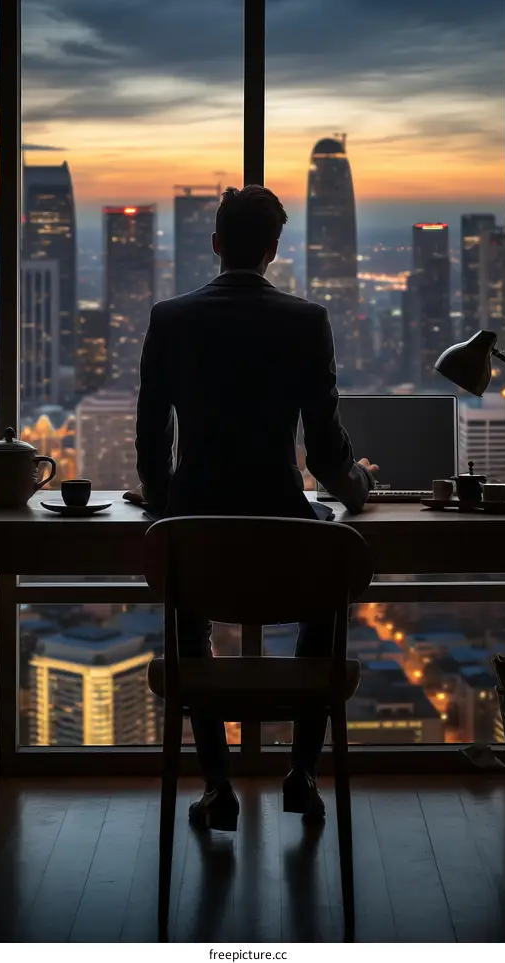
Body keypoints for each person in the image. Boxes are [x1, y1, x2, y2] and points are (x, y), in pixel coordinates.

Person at [126, 185, 378, 831]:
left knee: (190, 632)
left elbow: (151, 429)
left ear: (216, 244)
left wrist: (158, 499)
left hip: (193, 529)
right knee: (324, 601)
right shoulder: (305, 321)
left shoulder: (171, 317)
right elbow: (323, 448)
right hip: (285, 534)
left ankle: (216, 785)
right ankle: (301, 772)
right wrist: (356, 486)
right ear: (273, 248)